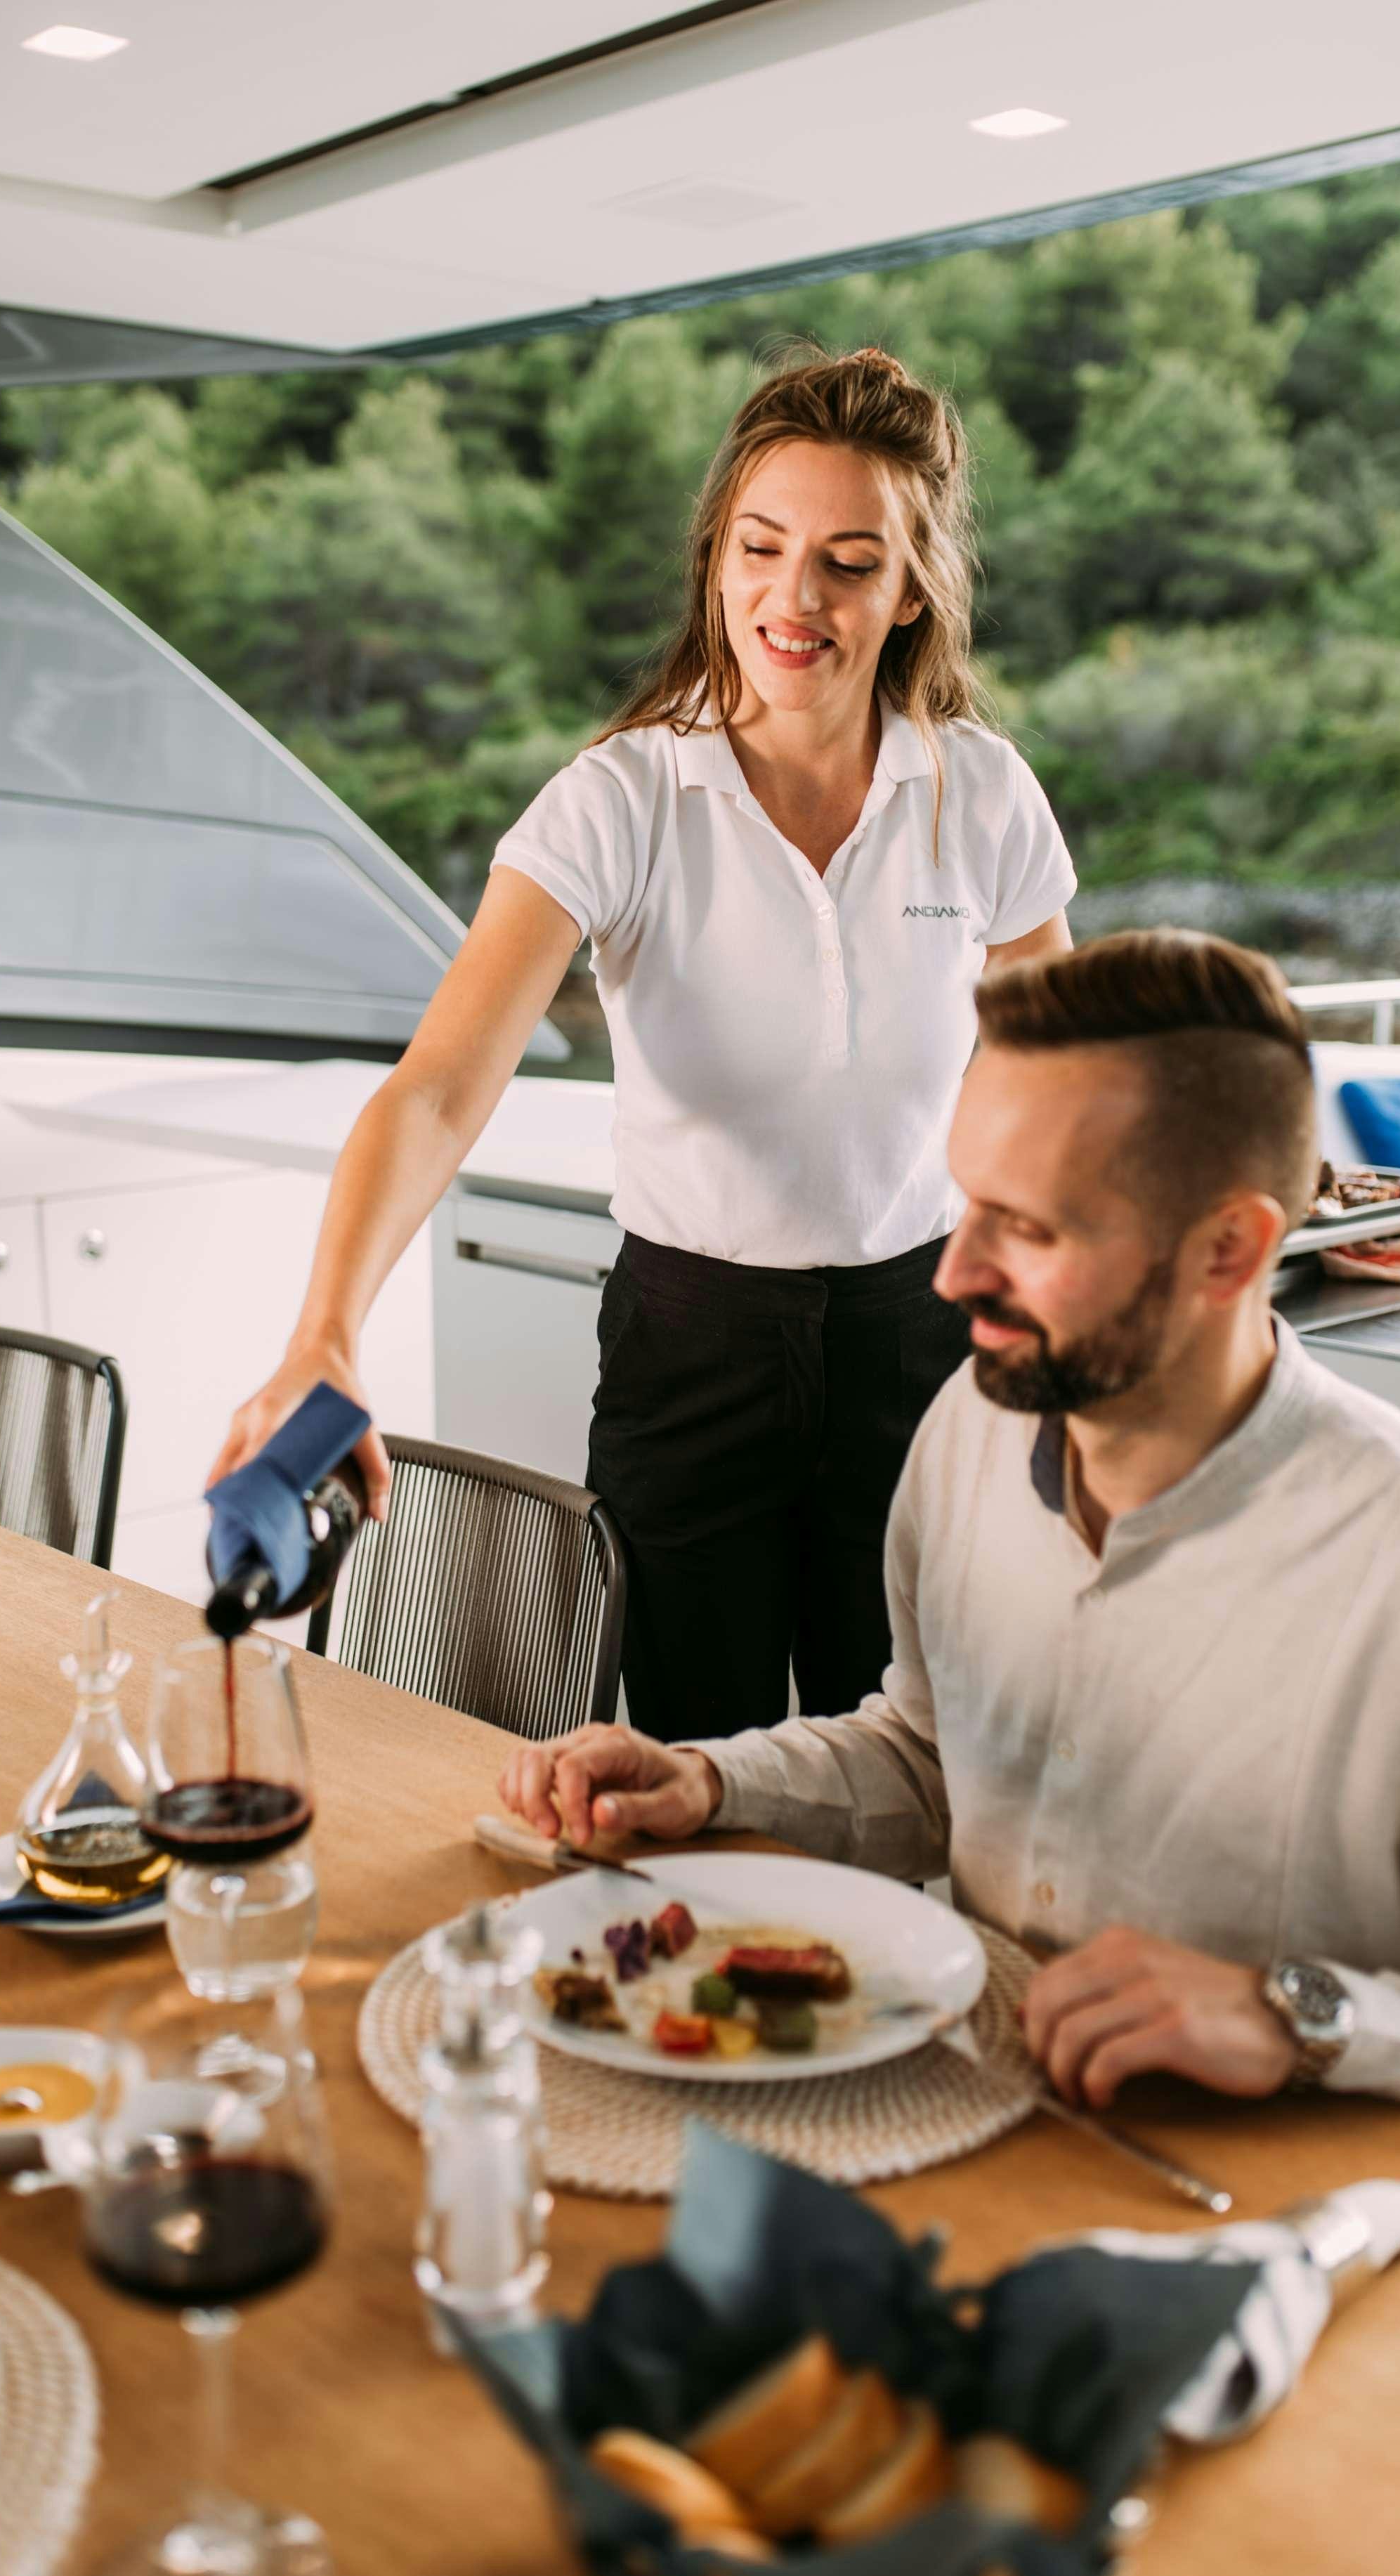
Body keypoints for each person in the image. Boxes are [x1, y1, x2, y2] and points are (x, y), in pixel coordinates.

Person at [499, 930, 1400, 2129]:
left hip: (1304, 2242)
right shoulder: (969, 1428)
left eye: (1028, 1230)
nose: (952, 1272)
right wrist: (714, 1781)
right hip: (975, 2137)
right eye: (963, 1201)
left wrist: (1293, 2014)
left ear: (1231, 1248)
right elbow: (935, 1756)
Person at [209, 344, 1075, 1741]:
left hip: (921, 1341)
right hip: (694, 1347)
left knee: (920, 1761)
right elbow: (437, 1091)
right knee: (698, 1775)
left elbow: (1056, 1070)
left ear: (909, 589)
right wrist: (325, 1330)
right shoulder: (616, 800)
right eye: (760, 547)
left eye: (847, 563)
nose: (791, 600)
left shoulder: (973, 791)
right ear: (714, 556)